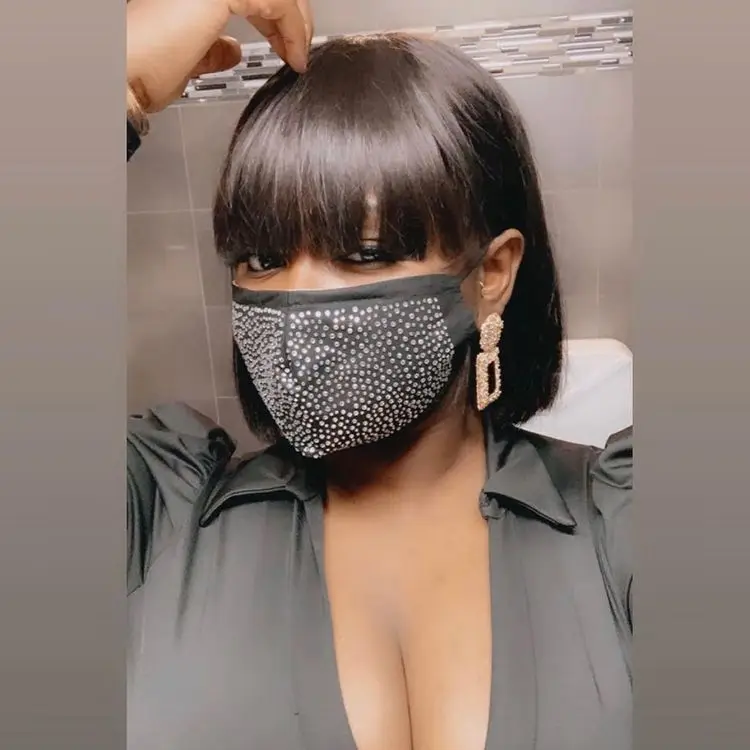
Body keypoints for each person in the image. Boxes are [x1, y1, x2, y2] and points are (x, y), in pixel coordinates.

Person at [127, 7, 633, 750]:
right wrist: (122, 84)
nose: (296, 304)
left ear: (492, 273)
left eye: (362, 255)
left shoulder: (623, 523)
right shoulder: (156, 507)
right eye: (262, 260)